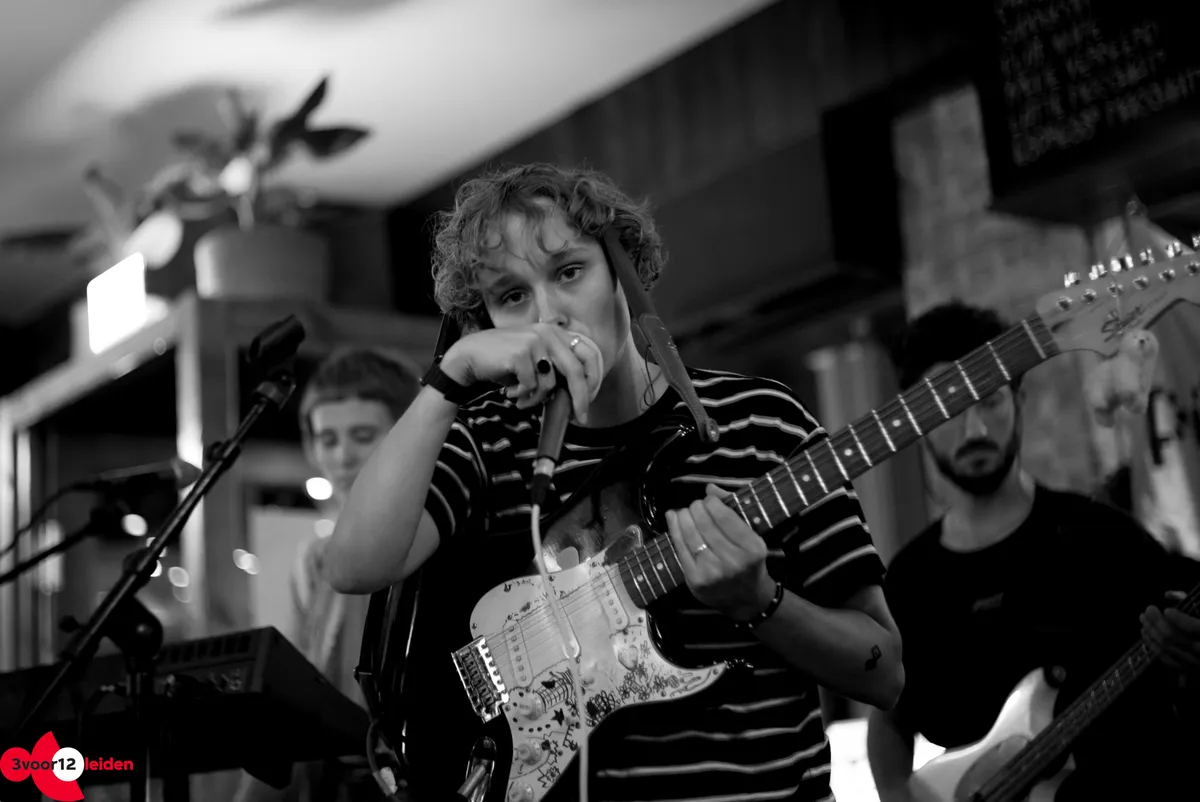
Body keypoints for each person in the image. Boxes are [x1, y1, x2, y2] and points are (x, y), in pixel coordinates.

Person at [325, 162, 905, 801]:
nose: (549, 314)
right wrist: (450, 377)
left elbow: (884, 675)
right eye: (512, 296)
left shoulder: (764, 421)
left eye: (569, 272)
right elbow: (353, 566)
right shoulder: (486, 442)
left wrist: (761, 602)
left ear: (625, 269)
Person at [866, 302, 1200, 802]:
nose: (975, 430)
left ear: (1020, 399)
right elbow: (890, 717)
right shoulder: (908, 581)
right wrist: (895, 793)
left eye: (990, 401)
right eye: (949, 412)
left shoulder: (1106, 539)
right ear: (919, 425)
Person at [234, 348, 420, 802]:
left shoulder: (428, 539)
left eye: (363, 435)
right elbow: (303, 685)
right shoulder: (316, 559)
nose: (342, 455)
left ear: (409, 433)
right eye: (327, 439)